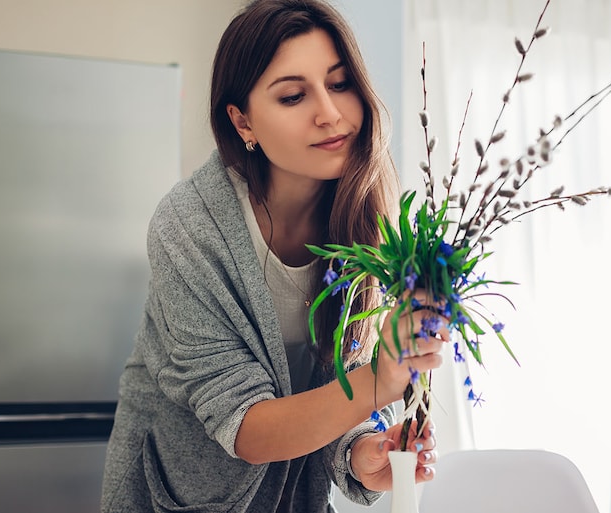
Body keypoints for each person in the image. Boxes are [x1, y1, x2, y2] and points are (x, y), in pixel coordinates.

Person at [100, 1, 448, 511]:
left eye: (340, 83)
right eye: (292, 95)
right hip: (174, 497)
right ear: (243, 123)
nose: (330, 113)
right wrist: (377, 380)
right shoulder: (189, 228)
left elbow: (333, 388)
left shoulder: (367, 218)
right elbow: (246, 425)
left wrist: (360, 453)